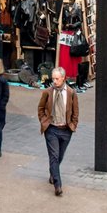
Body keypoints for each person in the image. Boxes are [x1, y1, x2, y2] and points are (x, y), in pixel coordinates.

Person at [36, 66, 79, 196]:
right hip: (52, 129)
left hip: (66, 129)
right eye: (53, 78)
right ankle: (58, 184)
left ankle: (52, 172)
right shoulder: (48, 92)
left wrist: (73, 125)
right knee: (54, 155)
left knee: (59, 156)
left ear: (63, 78)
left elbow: (75, 111)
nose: (54, 81)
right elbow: (41, 108)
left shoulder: (71, 93)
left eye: (57, 79)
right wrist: (44, 121)